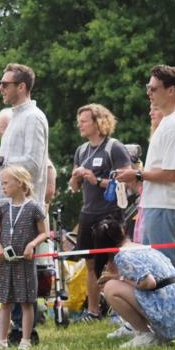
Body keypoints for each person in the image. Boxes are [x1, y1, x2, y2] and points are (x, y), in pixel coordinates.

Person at [115, 65, 175, 272]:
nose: (148, 93)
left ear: (171, 90)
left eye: (153, 88)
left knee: (165, 269)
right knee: (154, 267)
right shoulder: (169, 120)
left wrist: (137, 174)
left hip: (166, 205)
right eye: (148, 87)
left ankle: (174, 296)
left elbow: (172, 173)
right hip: (158, 204)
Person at [69, 103, 132, 322]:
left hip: (110, 213)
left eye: (84, 121)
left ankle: (119, 311)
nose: (80, 125)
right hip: (88, 213)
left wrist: (96, 180)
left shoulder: (114, 147)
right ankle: (93, 311)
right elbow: (74, 187)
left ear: (98, 123)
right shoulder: (81, 150)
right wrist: (76, 178)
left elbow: (126, 181)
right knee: (90, 264)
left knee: (112, 263)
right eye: (79, 121)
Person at [96, 217, 175, 348]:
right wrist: (119, 277)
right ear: (122, 231)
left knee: (110, 288)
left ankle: (145, 335)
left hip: (166, 318)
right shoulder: (143, 248)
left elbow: (149, 282)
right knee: (117, 284)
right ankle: (134, 328)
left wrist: (120, 279)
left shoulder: (123, 256)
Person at [0, 167, 47, 350]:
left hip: (25, 263)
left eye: (6, 183)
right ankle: (2, 341)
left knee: (26, 302)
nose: (3, 186)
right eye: (2, 183)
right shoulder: (2, 209)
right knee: (5, 302)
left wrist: (32, 245)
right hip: (5, 263)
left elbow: (44, 233)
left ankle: (25, 340)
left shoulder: (34, 208)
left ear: (20, 183)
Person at [0, 65, 49, 210]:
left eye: (5, 84)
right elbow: (12, 161)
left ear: (21, 87)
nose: (0, 88)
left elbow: (33, 164)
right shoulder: (16, 117)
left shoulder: (33, 117)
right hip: (6, 206)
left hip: (21, 209)